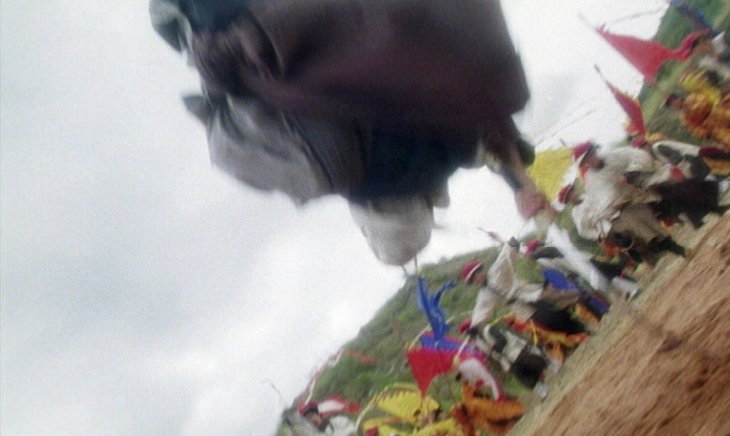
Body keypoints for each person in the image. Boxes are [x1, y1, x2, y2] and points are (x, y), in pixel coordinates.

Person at [150, 0, 554, 266]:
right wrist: (521, 184)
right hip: (290, 49)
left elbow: (489, 115)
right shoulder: (376, 163)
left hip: (295, 50)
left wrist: (520, 184)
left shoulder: (381, 161)